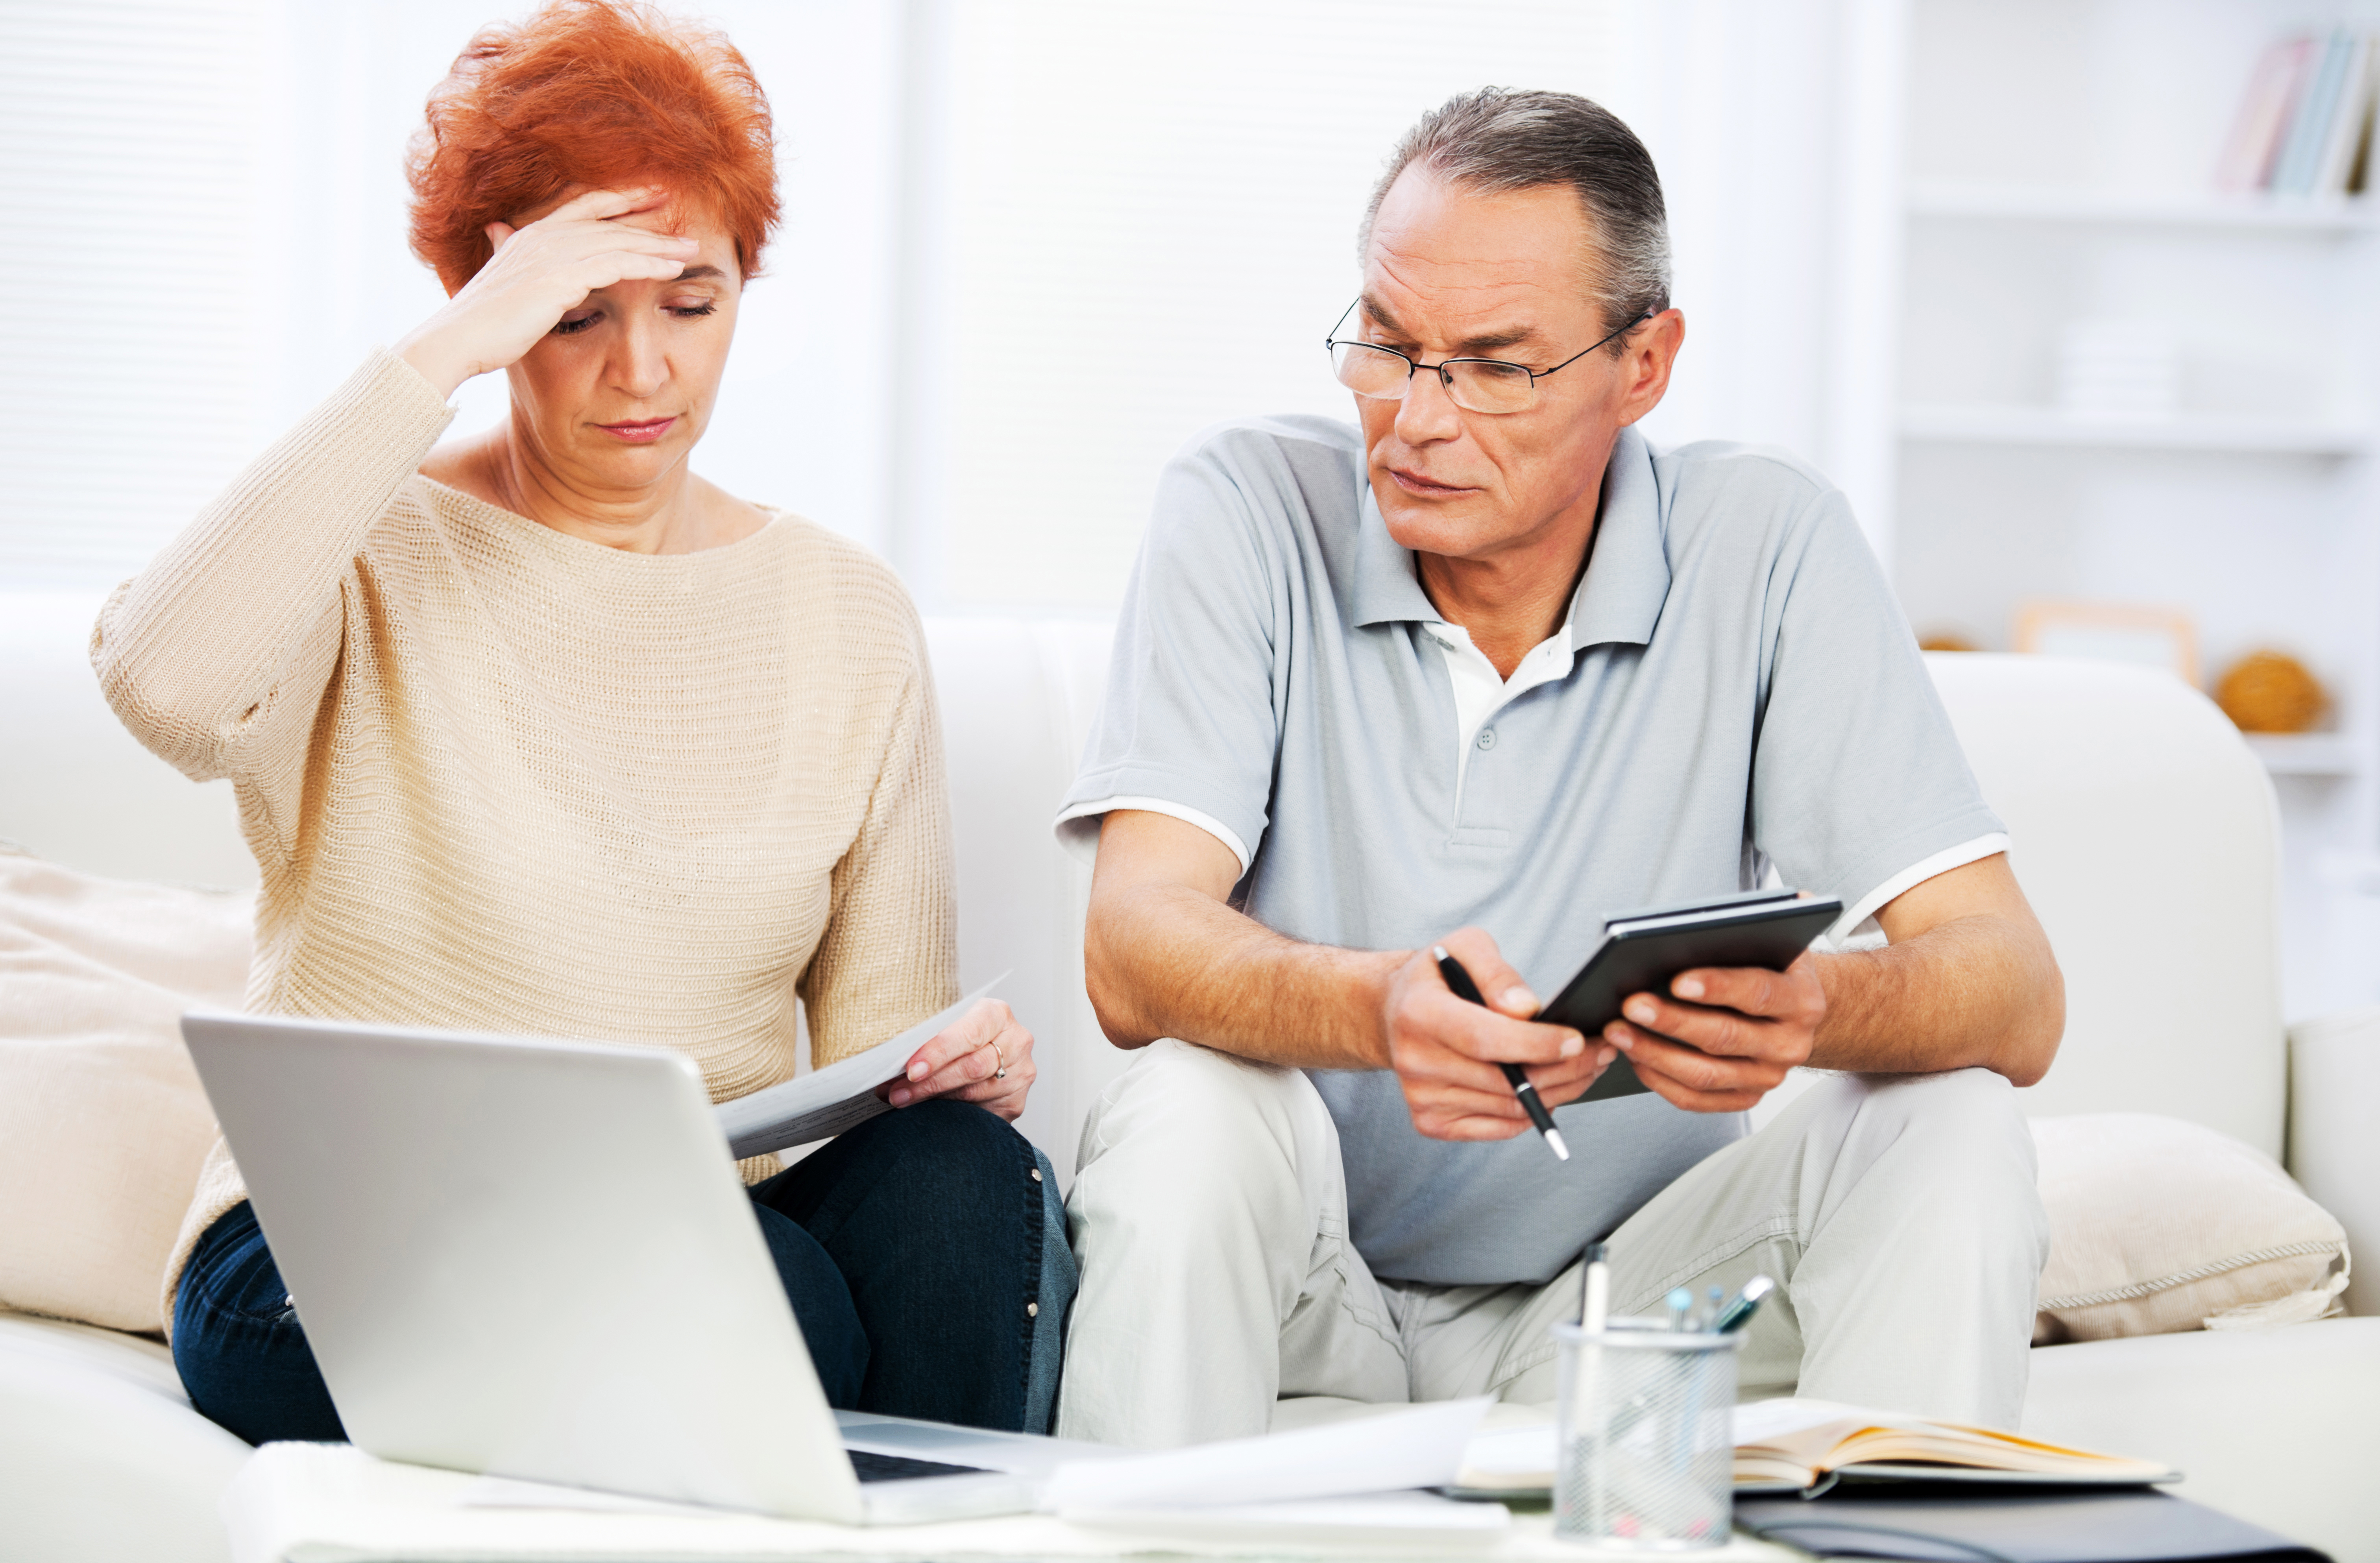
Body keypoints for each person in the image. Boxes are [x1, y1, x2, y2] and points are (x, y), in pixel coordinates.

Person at [97, 0, 1068, 1444]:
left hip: (702, 1219)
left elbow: (877, 1068)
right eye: (574, 314)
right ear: (484, 303)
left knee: (961, 1185)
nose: (644, 372)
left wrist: (945, 1072)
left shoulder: (847, 615)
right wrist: (434, 360)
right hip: (330, 1249)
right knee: (760, 1303)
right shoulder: (365, 551)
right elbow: (163, 684)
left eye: (692, 300)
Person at [1051, 88, 2064, 1448]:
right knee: (1185, 1105)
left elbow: (2017, 993)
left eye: (1493, 364)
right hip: (1313, 1277)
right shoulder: (1243, 510)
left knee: (1953, 1124)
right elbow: (1130, 949)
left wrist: (1813, 1006)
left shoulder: (1767, 544)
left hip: (1629, 1303)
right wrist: (1379, 1008)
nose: (1414, 417)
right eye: (1387, 344)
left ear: (1642, 363)